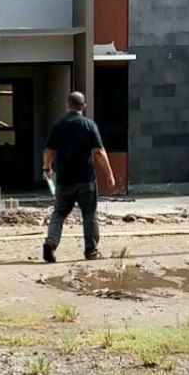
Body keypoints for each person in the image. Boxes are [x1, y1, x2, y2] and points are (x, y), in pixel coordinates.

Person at [41, 91, 115, 263]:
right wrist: (109, 174)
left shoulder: (58, 125)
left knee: (59, 212)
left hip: (64, 181)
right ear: (84, 107)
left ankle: (51, 241)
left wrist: (47, 168)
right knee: (89, 215)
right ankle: (91, 251)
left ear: (67, 106)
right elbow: (99, 152)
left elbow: (49, 150)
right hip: (86, 180)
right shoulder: (89, 125)